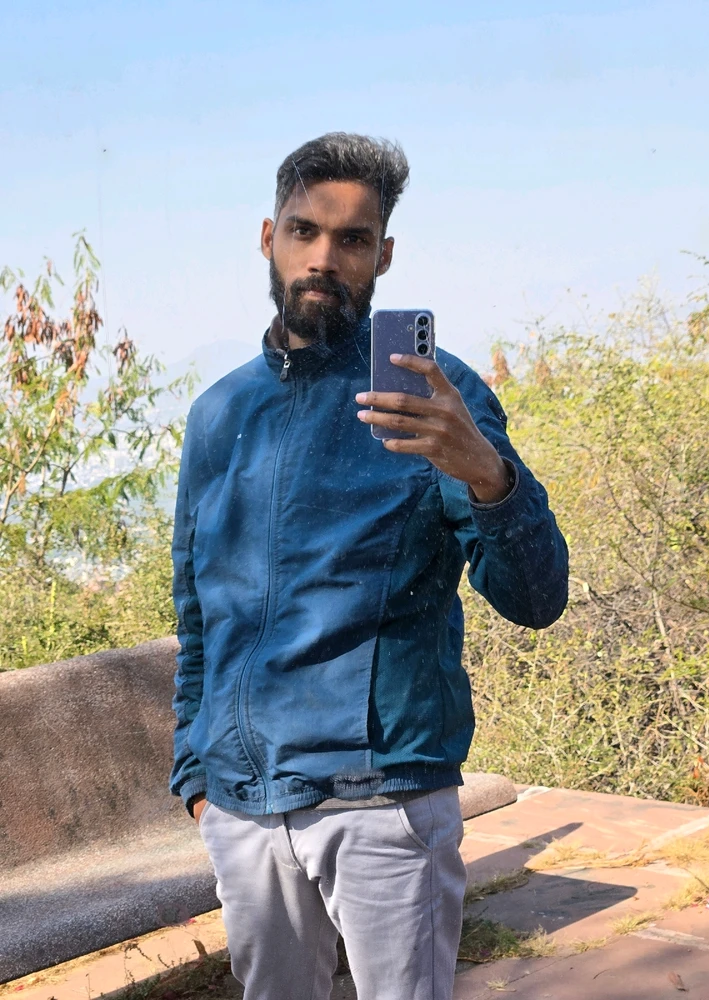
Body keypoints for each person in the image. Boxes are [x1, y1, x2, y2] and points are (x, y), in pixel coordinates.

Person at [170, 132, 568, 1000]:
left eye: (352, 239)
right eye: (304, 231)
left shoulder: (434, 396)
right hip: (244, 807)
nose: (324, 257)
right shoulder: (219, 413)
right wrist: (196, 775)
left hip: (383, 799)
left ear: (383, 255)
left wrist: (487, 475)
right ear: (268, 238)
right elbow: (197, 612)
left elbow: (537, 598)